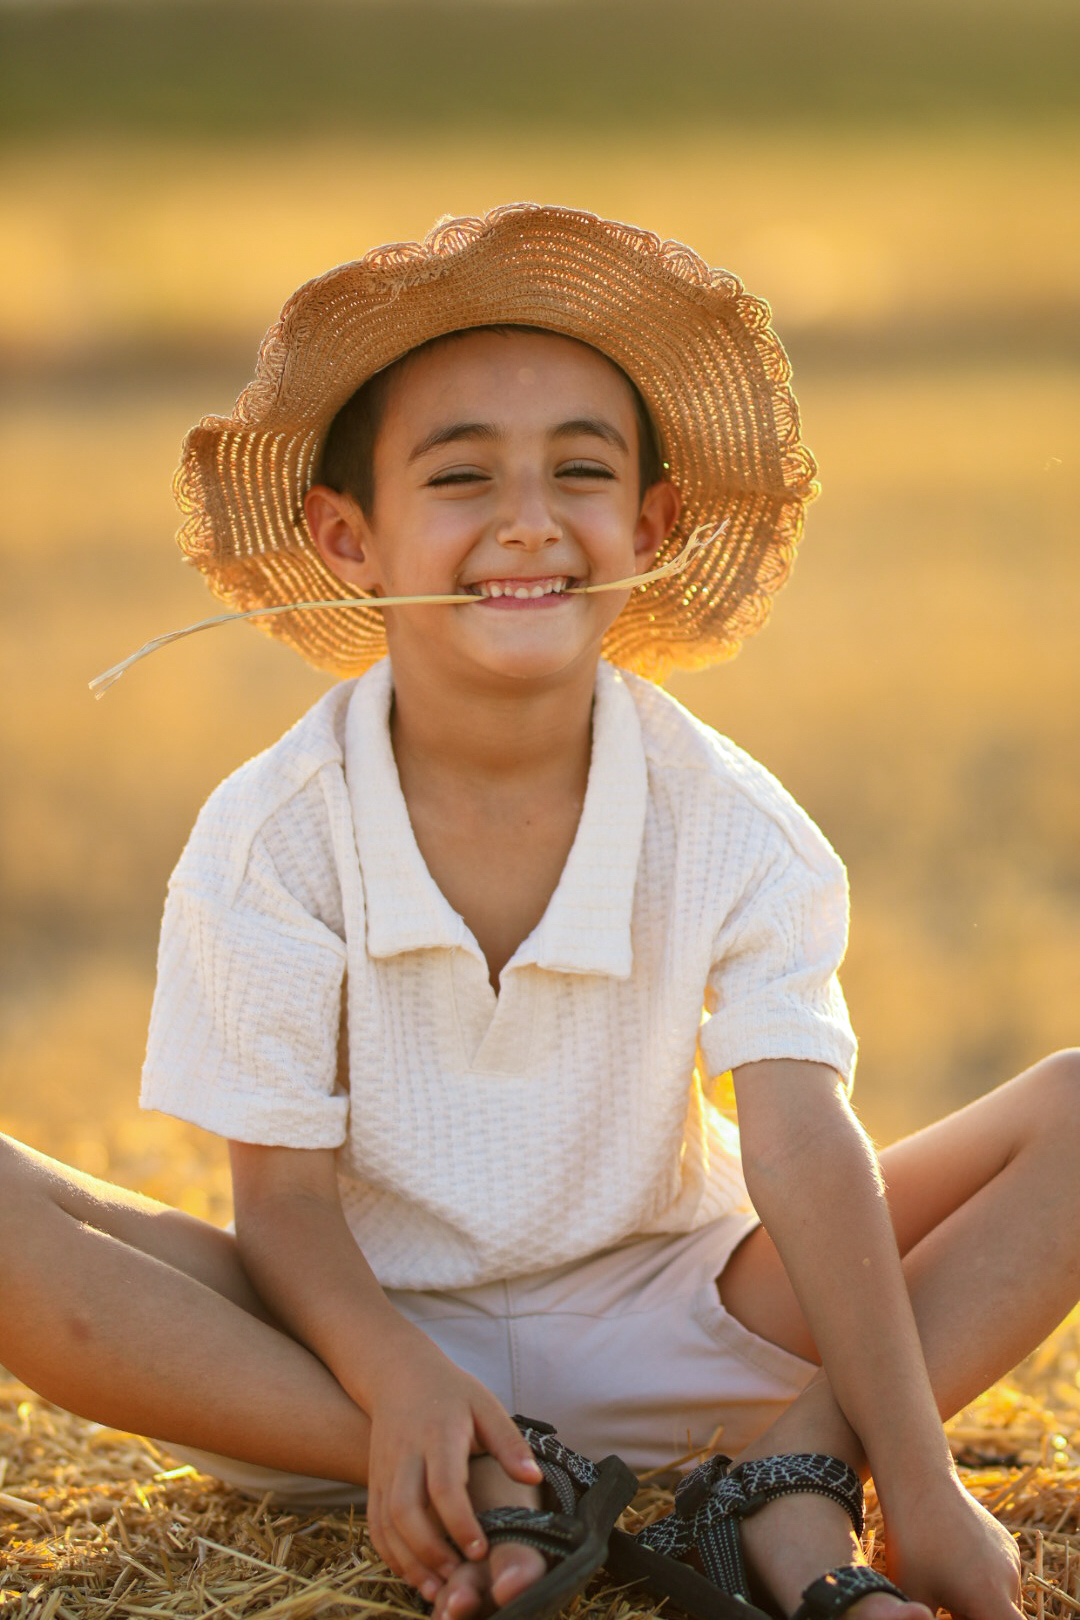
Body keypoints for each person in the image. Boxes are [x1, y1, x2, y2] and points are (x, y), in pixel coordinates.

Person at [1, 204, 1076, 1620]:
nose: (527, 519)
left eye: (582, 470)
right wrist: (397, 1385)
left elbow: (806, 1139)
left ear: (650, 526)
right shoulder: (272, 834)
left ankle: (794, 1466)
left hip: (690, 1326)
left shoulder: (726, 813)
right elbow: (280, 1202)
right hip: (347, 1353)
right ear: (345, 534)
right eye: (460, 478)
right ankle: (508, 1482)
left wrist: (922, 1481)